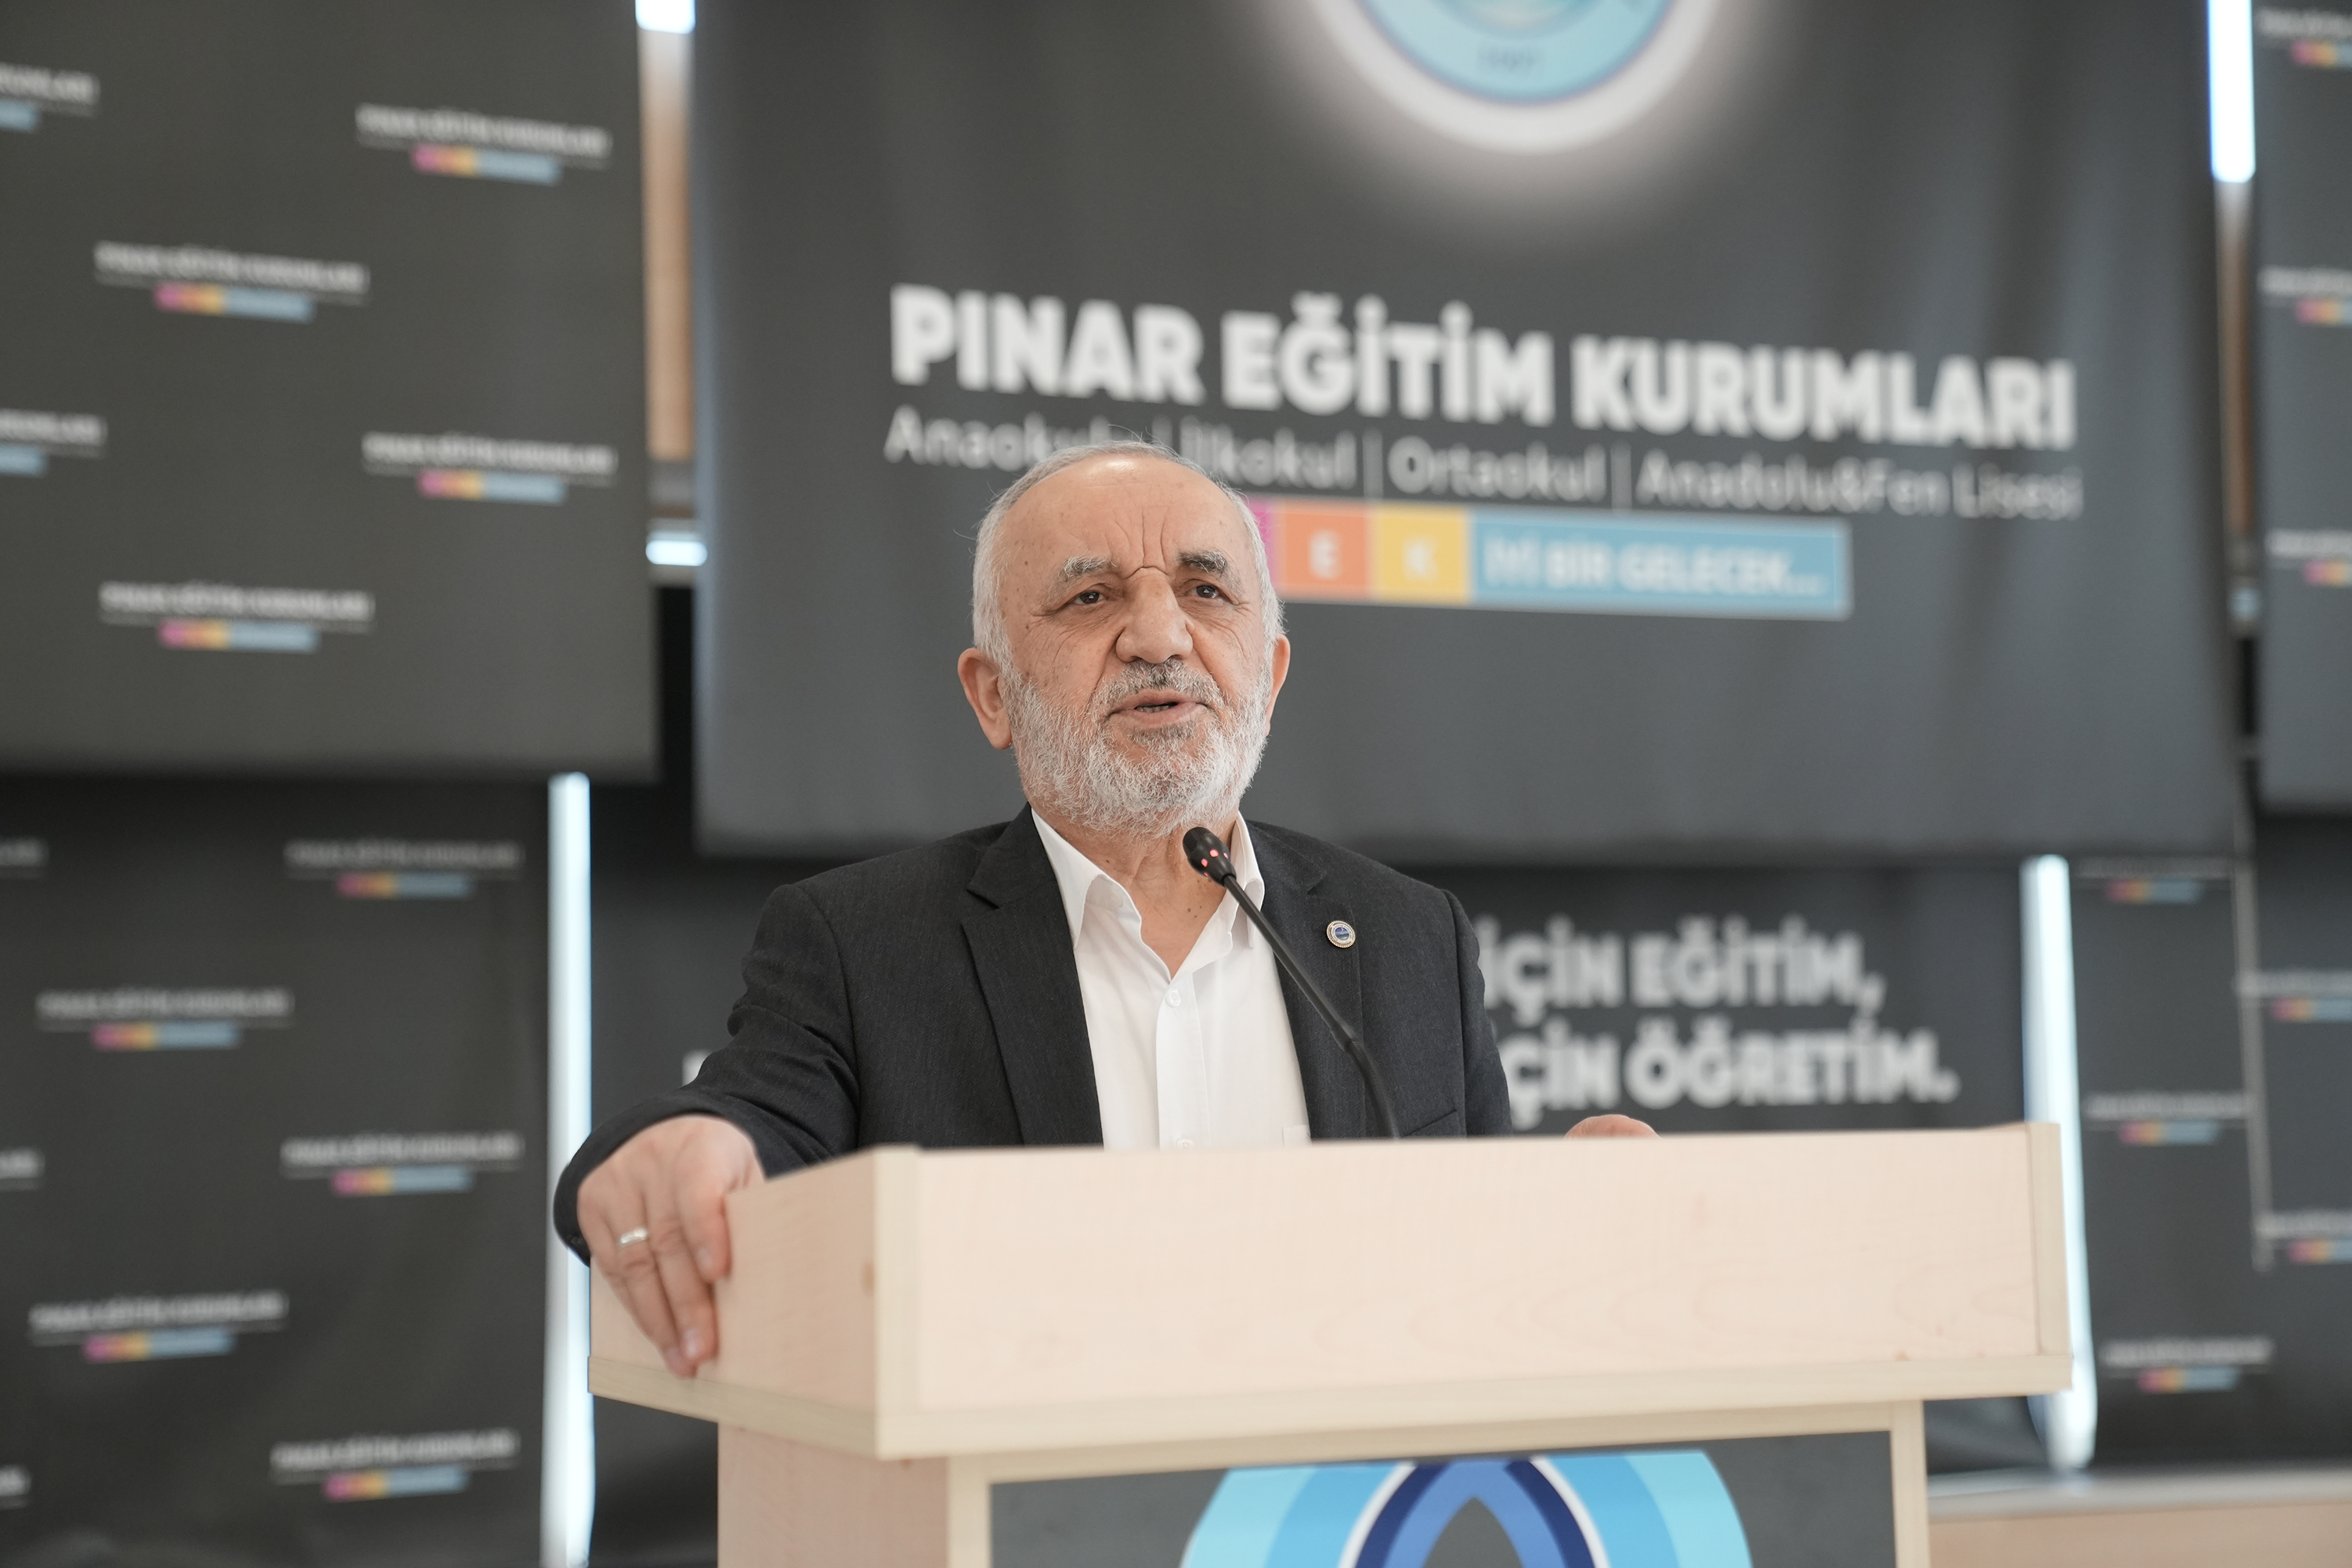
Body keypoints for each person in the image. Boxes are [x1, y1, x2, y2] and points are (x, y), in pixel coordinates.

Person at [555, 441, 1652, 1378]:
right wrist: (676, 1148)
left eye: (1206, 591)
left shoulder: (1409, 936)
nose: (1160, 636)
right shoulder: (862, 944)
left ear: (1269, 673)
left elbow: (1477, 1264)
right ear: (993, 694)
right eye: (1092, 598)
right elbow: (742, 1129)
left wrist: (1563, 1219)